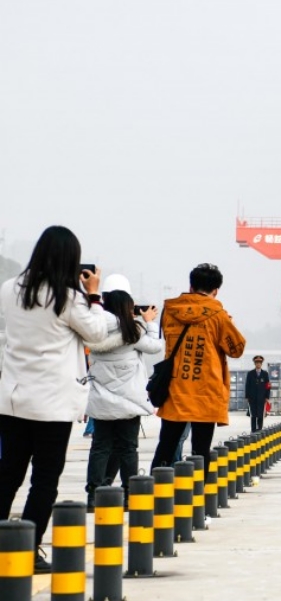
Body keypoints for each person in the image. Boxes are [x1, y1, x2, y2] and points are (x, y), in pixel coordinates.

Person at [0, 226, 108, 572]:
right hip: (52, 405)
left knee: (8, 474)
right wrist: (93, 294)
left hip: (13, 399)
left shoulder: (8, 290)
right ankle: (28, 549)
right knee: (44, 479)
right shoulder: (68, 298)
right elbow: (98, 334)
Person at [149, 263, 246, 473]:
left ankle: (154, 494)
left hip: (175, 389)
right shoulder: (219, 316)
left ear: (191, 286)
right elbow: (236, 349)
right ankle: (196, 498)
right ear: (216, 290)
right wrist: (229, 324)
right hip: (206, 391)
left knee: (166, 446)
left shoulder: (170, 311)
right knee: (201, 451)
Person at [83, 275, 163, 511]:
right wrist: (148, 321)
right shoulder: (134, 330)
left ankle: (93, 496)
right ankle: (130, 495)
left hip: (101, 403)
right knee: (128, 449)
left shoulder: (94, 329)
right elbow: (156, 346)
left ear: (104, 300)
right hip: (128, 403)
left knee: (99, 448)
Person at [245, 355, 270, 432]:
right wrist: (247, 396)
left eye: (259, 363)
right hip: (252, 398)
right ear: (254, 364)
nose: (258, 364)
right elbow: (247, 385)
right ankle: (253, 430)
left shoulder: (265, 374)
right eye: (256, 363)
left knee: (260, 414)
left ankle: (259, 429)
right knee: (253, 415)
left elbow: (268, 386)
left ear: (261, 364)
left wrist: (267, 397)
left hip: (261, 398)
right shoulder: (250, 373)